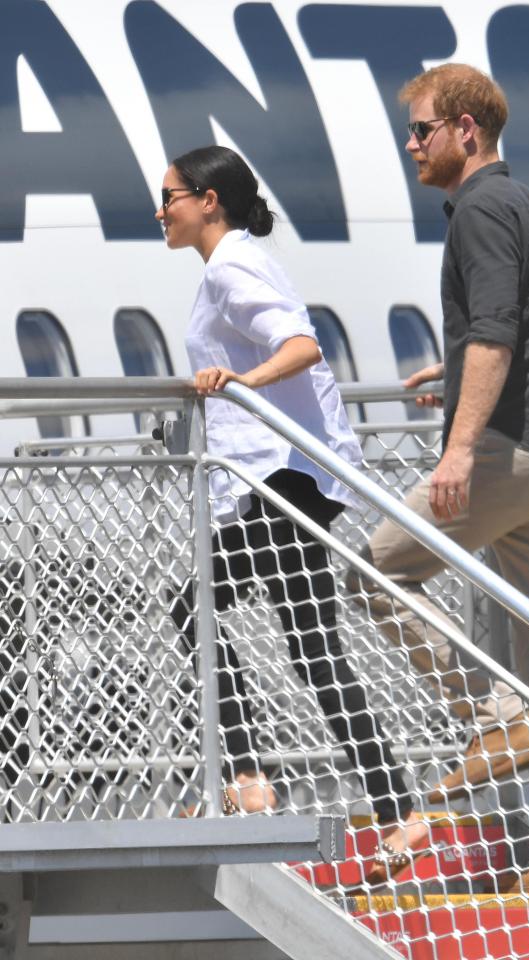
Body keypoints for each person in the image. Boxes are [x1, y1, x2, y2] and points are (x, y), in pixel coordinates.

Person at [350, 65, 529, 893]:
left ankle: (496, 719)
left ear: (467, 130)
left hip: (510, 452)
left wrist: (460, 447)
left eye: (422, 129)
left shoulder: (479, 211)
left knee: (377, 568)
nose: (410, 144)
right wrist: (457, 367)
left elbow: (498, 332)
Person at [155, 145, 428, 880]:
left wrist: (241, 380)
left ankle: (246, 770)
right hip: (291, 480)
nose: (161, 210)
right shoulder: (237, 261)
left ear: (209, 200)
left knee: (194, 608)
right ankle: (396, 809)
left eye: (171, 196)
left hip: (281, 480)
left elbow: (301, 345)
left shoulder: (230, 267)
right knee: (312, 649)